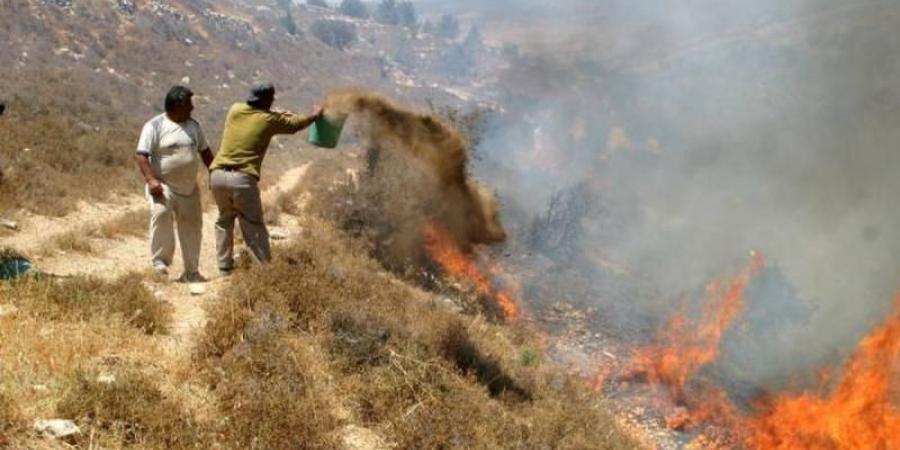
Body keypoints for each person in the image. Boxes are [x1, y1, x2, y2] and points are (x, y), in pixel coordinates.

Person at [210, 82, 322, 274]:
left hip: (217, 175)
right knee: (252, 223)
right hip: (242, 179)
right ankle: (264, 272)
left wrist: (274, 111)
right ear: (268, 100)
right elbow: (296, 124)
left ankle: (224, 267)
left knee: (224, 220)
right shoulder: (268, 120)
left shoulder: (235, 109)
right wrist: (315, 114)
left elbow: (263, 114)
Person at [135, 86, 214, 281]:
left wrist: (215, 172)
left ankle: (191, 271)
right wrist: (151, 180)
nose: (192, 108)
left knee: (192, 225)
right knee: (161, 214)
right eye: (188, 104)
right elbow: (141, 155)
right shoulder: (154, 126)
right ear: (177, 106)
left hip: (189, 188)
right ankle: (160, 263)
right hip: (163, 185)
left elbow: (205, 152)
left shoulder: (194, 126)